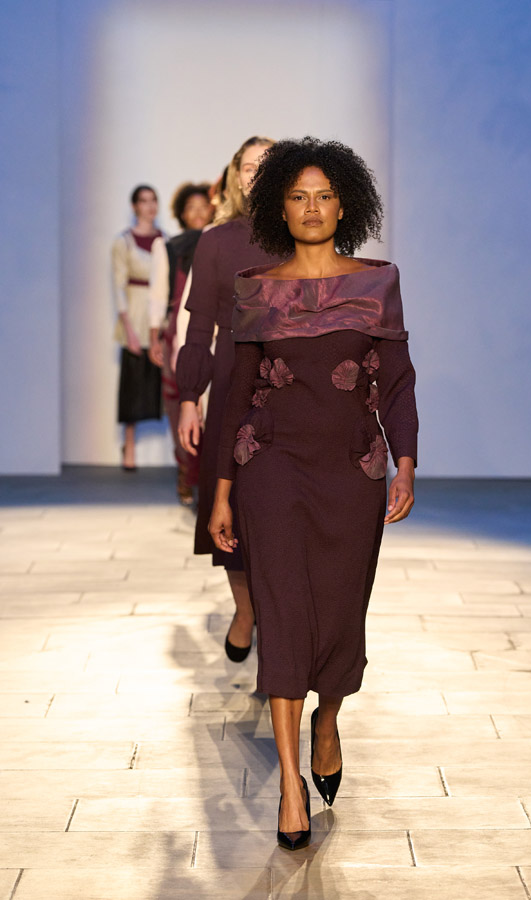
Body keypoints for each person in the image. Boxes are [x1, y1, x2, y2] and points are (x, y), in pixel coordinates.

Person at [207, 137, 418, 850]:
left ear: (345, 205)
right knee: (285, 615)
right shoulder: (255, 288)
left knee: (340, 613)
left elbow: (397, 383)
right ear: (278, 207)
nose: (312, 207)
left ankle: (329, 719)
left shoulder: (378, 284)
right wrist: (223, 492)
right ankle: (291, 786)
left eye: (324, 195)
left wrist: (406, 462)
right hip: (271, 468)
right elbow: (239, 395)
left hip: (351, 472)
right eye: (297, 196)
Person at [177, 136, 279, 660]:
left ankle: (275, 617)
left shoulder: (301, 237)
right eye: (249, 166)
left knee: (279, 505)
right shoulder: (216, 241)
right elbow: (199, 328)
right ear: (236, 175)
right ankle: (246, 609)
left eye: (268, 165)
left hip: (288, 383)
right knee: (231, 503)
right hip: (232, 377)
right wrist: (188, 398)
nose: (257, 174)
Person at [148, 183, 213, 504]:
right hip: (177, 331)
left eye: (204, 206)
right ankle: (186, 474)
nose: (198, 213)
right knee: (179, 406)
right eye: (191, 208)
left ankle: (209, 479)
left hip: (213, 330)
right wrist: (154, 337)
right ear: (181, 214)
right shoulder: (169, 247)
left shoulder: (219, 243)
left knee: (212, 406)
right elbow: (158, 295)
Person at [111, 185, 164, 470]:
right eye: (144, 201)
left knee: (164, 382)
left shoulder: (165, 241)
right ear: (135, 206)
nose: (150, 206)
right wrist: (128, 329)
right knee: (132, 385)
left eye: (153, 200)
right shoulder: (124, 242)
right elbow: (118, 287)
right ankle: (128, 444)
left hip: (159, 317)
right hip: (134, 315)